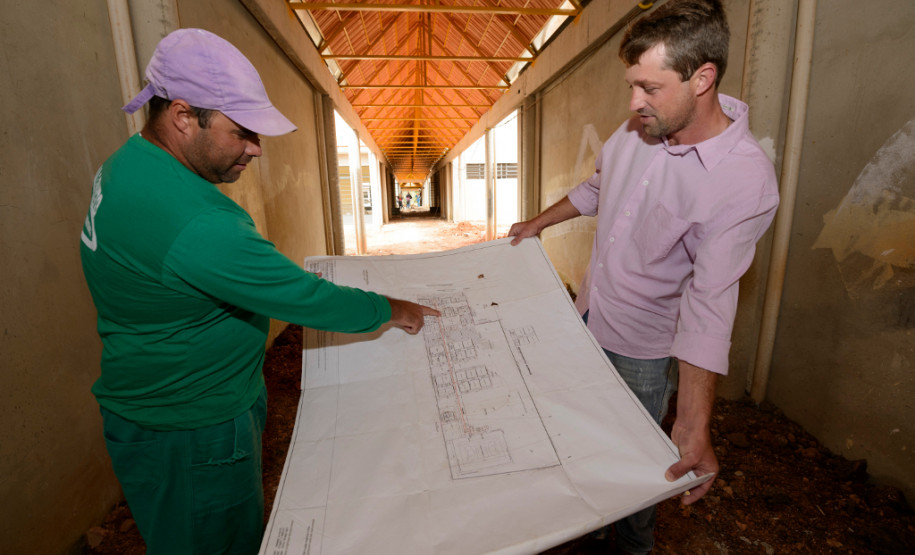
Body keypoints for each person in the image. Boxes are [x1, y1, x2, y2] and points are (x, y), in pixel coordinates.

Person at [79, 28, 439, 555]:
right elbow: (306, 299)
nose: (256, 150)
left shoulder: (129, 165)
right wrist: (392, 308)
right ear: (182, 116)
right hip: (195, 428)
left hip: (153, 405)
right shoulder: (198, 220)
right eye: (242, 132)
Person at [507, 1, 779, 552]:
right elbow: (595, 188)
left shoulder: (742, 181)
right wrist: (536, 224)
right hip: (586, 317)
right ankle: (589, 529)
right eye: (632, 84)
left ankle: (632, 545)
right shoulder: (641, 125)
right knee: (584, 440)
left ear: (702, 78)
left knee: (638, 470)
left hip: (643, 351)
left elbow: (709, 304)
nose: (634, 103)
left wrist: (693, 419)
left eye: (649, 87)